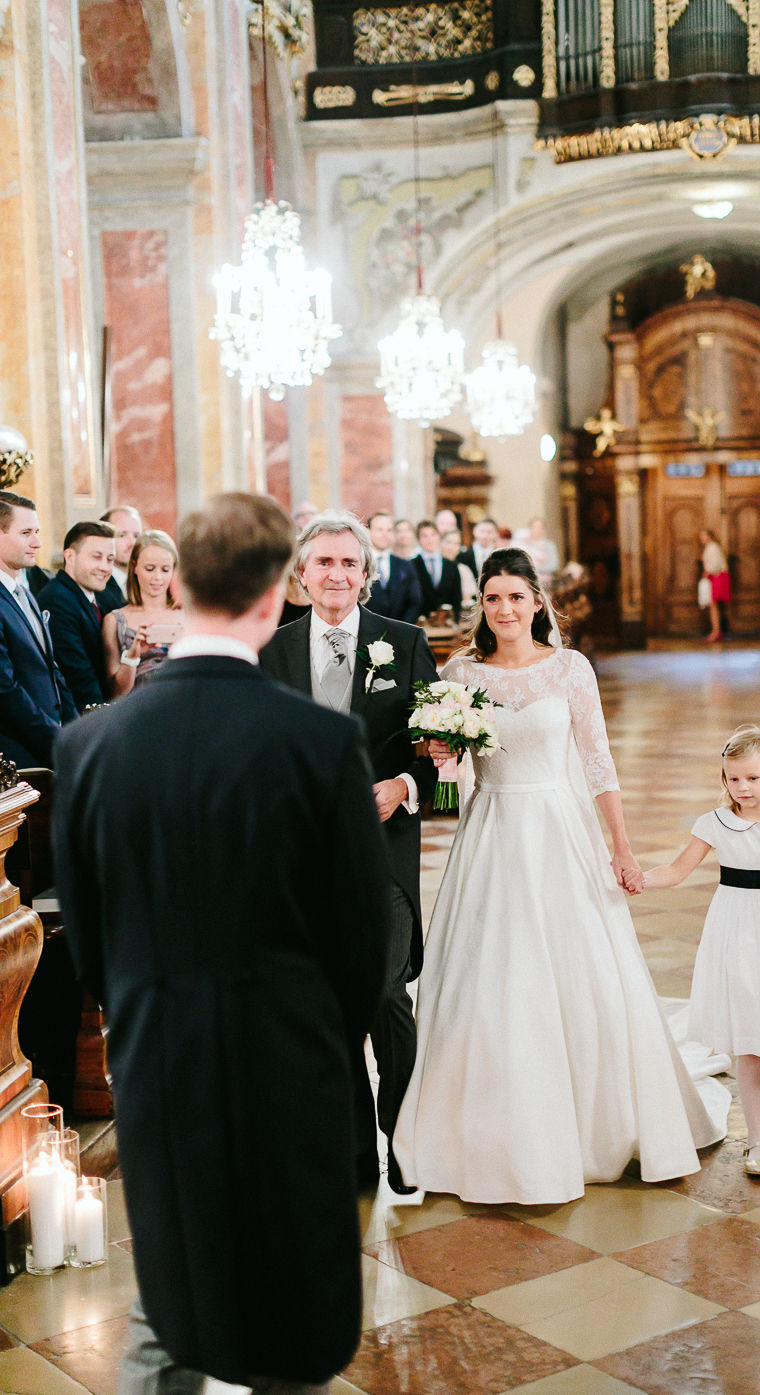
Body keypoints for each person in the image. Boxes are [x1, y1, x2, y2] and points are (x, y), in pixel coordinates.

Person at [53, 492, 391, 1395]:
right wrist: (321, 1033)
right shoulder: (321, 742)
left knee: (174, 1309)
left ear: (182, 584)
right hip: (294, 1063)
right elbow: (363, 942)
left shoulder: (89, 745)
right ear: (275, 594)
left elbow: (88, 935)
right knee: (293, 1326)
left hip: (161, 1061)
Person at [392, 548, 730, 1204]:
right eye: (493, 598)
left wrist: (623, 848)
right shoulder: (460, 671)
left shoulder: (570, 669)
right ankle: (485, 1132)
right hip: (489, 831)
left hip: (559, 831)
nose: (505, 609)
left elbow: (597, 759)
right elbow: (451, 769)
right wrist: (442, 750)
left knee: (577, 970)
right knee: (489, 974)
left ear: (538, 602)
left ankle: (592, 1121)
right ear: (482, 605)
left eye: (516, 597)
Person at [261, 511, 439, 1196]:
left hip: (382, 855)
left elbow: (439, 754)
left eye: (349, 563)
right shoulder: (271, 652)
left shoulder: (405, 642)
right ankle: (352, 1152)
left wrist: (403, 784)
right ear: (301, 573)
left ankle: (402, 1136)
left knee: (387, 994)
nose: (336, 574)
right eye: (324, 562)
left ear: (366, 575)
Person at [643, 724, 760, 1179]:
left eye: (751, 778)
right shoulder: (715, 823)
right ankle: (754, 1137)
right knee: (747, 1034)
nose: (742, 788)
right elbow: (675, 871)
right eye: (733, 779)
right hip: (737, 928)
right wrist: (633, 878)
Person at [0, 490, 76, 767]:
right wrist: (54, 739)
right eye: (26, 533)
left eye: (38, 531)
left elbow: (50, 668)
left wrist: (74, 730)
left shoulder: (24, 591)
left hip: (50, 746)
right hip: (16, 756)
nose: (38, 542)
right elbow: (5, 689)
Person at [42, 521, 116, 711]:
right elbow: (77, 674)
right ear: (70, 556)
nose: (105, 567)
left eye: (110, 559)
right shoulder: (57, 600)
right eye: (96, 557)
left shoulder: (102, 595)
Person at [102, 530, 183, 696]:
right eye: (150, 569)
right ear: (134, 567)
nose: (157, 577)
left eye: (165, 570)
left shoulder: (189, 615)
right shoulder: (115, 621)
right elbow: (117, 694)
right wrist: (133, 656)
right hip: (139, 710)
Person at [366, 511, 422, 624]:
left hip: (400, 633)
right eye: (379, 530)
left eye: (389, 530)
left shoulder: (405, 566)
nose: (384, 534)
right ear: (368, 531)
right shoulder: (360, 564)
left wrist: (400, 630)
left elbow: (415, 602)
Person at [412, 519, 462, 621]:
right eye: (424, 536)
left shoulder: (451, 566)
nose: (430, 539)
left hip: (447, 624)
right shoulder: (411, 565)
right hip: (420, 623)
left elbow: (457, 598)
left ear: (439, 537)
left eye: (433, 535)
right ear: (418, 539)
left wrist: (455, 622)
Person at [100, 505, 143, 610]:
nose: (132, 543)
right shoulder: (98, 585)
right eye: (122, 535)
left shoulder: (147, 581)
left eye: (136, 536)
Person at [698, 528, 729, 643]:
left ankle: (716, 631)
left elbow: (715, 565)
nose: (702, 538)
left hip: (716, 577)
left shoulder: (712, 547)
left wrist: (707, 572)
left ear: (710, 536)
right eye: (701, 536)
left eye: (704, 535)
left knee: (713, 605)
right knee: (713, 605)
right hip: (714, 577)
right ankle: (716, 631)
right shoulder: (710, 547)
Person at [515, 516, 560, 583]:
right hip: (527, 581)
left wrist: (533, 568)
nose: (537, 530)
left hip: (545, 582)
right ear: (530, 528)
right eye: (534, 527)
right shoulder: (523, 545)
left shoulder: (549, 545)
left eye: (540, 528)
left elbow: (553, 566)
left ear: (544, 529)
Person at [440, 526, 477, 607]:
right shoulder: (435, 568)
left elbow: (467, 599)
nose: (452, 547)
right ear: (440, 542)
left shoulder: (463, 570)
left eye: (456, 544)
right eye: (448, 542)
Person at [459, 517, 500, 582]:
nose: (485, 536)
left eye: (489, 532)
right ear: (474, 531)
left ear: (495, 534)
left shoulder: (499, 557)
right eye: (482, 531)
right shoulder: (463, 555)